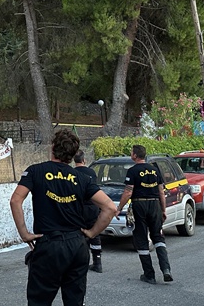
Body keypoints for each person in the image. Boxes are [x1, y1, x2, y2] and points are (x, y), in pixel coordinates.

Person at [10, 129, 116, 305]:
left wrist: (24, 234)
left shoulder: (36, 171)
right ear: (73, 154)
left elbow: (15, 200)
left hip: (49, 244)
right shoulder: (82, 178)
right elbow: (110, 208)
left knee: (39, 301)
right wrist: (91, 233)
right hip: (77, 245)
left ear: (52, 148)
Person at [115, 144, 172, 284]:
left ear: (135, 155)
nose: (130, 154)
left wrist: (119, 208)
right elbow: (161, 193)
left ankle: (149, 275)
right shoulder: (155, 170)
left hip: (139, 204)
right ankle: (166, 270)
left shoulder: (133, 171)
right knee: (158, 238)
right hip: (154, 204)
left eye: (131, 153)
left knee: (141, 238)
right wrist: (163, 210)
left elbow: (128, 192)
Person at [73, 150, 103, 273]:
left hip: (78, 208)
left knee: (78, 235)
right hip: (92, 207)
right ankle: (97, 262)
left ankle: (80, 262)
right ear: (84, 160)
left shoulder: (72, 173)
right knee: (94, 235)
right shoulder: (91, 172)